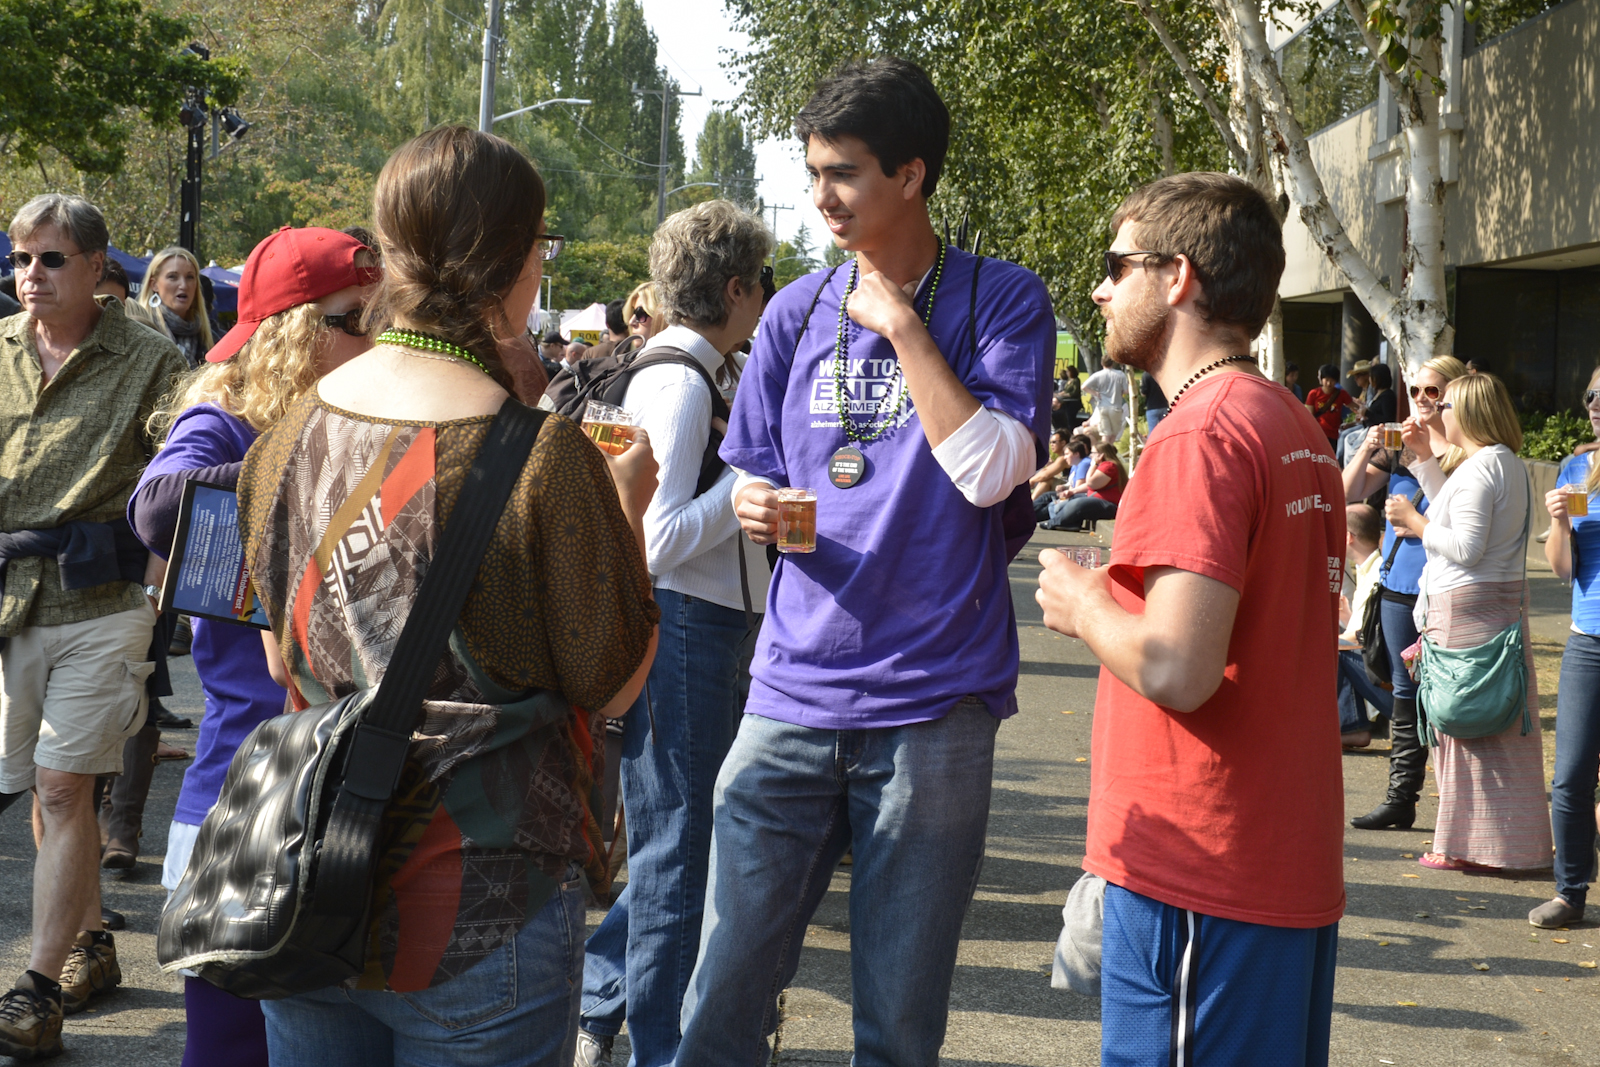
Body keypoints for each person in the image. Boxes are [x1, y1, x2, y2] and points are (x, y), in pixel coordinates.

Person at [236, 126, 660, 1066]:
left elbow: (280, 657)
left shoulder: (284, 437)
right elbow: (619, 683)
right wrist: (628, 513)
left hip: (308, 882)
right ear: (515, 262)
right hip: (483, 903)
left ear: (389, 253)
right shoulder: (548, 459)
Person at [677, 58, 1052, 1064]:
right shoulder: (793, 312)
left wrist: (901, 324)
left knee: (896, 1016)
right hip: (790, 689)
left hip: (933, 701)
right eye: (812, 174)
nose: (822, 198)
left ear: (913, 174)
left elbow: (991, 474)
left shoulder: (1001, 302)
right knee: (720, 994)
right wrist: (748, 502)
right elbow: (755, 469)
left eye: (843, 173)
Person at [1035, 172, 1345, 1065]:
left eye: (1115, 264)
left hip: (1202, 871)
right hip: (1269, 864)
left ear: (1178, 278)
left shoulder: (1200, 431)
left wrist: (1085, 603)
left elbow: (1177, 664)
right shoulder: (1285, 419)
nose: (1099, 287)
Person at [130, 226, 380, 1067]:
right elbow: (157, 504)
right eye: (358, 319)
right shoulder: (228, 415)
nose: (377, 338)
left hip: (355, 798)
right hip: (249, 798)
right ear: (298, 332)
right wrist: (304, 469)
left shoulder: (371, 409)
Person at [575, 200, 773, 1067]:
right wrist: (746, 490)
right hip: (687, 624)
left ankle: (609, 1004)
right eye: (763, 282)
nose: (770, 298)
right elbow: (652, 540)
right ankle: (658, 1041)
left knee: (679, 839)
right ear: (734, 288)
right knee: (681, 846)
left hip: (699, 624)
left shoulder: (684, 373)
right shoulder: (682, 381)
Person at [0, 194, 187, 1060]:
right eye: (21, 259)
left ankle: (34, 993)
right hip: (9, 600)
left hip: (100, 602)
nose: (30, 275)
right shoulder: (0, 348)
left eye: (50, 259)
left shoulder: (146, 355)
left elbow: (190, 458)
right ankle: (88, 943)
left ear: (97, 268)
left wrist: (158, 579)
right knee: (45, 789)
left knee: (67, 786)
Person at [1385, 373, 1552, 872]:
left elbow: (1464, 547)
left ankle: (1462, 845)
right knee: (1490, 732)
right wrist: (1424, 462)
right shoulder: (1501, 463)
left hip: (1468, 608)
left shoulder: (1483, 467)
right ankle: (1500, 846)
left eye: (1448, 405)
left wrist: (1414, 523)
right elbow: (1457, 517)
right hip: (1490, 603)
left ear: (1472, 413)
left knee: (1459, 725)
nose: (1439, 412)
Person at [1342, 354, 1467, 829]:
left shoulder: (1467, 452)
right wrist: (1365, 446)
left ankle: (1454, 805)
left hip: (1444, 587)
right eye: (1415, 391)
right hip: (1397, 585)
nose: (1420, 400)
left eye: (1431, 391)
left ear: (1454, 394)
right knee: (1403, 690)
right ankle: (1401, 797)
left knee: (1446, 697)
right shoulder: (1397, 446)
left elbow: (1467, 525)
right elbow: (1345, 493)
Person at [1531, 370, 1600, 927]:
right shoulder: (1577, 469)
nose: (1596, 405)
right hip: (1587, 640)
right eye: (1591, 396)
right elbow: (1562, 568)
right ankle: (1570, 891)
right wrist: (1558, 522)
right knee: (1571, 774)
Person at [1337, 502, 1393, 748]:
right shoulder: (1368, 568)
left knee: (1330, 647)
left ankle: (1350, 727)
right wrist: (1348, 619)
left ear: (1348, 537)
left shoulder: (1377, 573)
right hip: (1380, 669)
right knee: (1336, 640)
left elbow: (1362, 641)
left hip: (1389, 683)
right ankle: (1350, 725)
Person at [140, 247, 220, 366]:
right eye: (172, 277)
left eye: (190, 277)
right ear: (154, 284)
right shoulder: (140, 332)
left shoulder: (211, 338)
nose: (183, 285)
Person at [1044, 440, 1124, 531]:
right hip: (1097, 499)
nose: (1091, 456)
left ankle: (1052, 523)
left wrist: (1093, 464)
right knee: (1061, 502)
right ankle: (1069, 524)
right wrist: (1072, 491)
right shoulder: (1103, 465)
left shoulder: (1109, 466)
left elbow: (1091, 483)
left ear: (1101, 454)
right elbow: (1090, 485)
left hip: (1108, 504)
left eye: (1093, 453)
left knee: (1078, 503)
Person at [1306, 362, 1358, 446]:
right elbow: (1309, 416)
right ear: (1321, 379)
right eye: (1326, 380)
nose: (1329, 383)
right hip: (1318, 434)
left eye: (1332, 380)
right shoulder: (1313, 394)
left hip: (1334, 435)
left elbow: (1354, 407)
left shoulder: (1341, 394)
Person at [1083, 354, 1128, 445]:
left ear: (1101, 363)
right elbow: (1126, 391)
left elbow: (1084, 386)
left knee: (1105, 434)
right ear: (1113, 363)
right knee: (1114, 434)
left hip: (1102, 407)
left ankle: (1104, 454)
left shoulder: (1098, 375)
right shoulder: (1120, 374)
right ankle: (1108, 451)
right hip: (1115, 407)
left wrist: (1095, 393)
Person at [1052, 365, 1082, 432]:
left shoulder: (1076, 380)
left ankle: (1071, 431)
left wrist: (1064, 395)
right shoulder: (1069, 380)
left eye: (1068, 371)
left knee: (1070, 419)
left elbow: (1074, 393)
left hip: (1073, 403)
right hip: (1066, 402)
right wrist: (1059, 394)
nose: (1067, 373)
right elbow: (1065, 390)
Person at [1140, 368, 1168, 437]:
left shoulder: (1146, 375)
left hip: (1152, 406)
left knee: (1152, 432)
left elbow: (1143, 393)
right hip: (1164, 405)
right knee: (1165, 430)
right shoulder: (1162, 373)